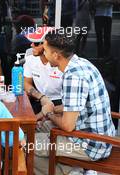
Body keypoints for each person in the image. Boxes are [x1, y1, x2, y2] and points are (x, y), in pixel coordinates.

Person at [33, 29, 116, 175]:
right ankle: (74, 169)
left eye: (45, 50)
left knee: (26, 145)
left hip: (91, 145)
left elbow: (67, 125)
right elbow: (78, 105)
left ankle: (72, 172)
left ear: (55, 55)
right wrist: (53, 110)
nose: (42, 53)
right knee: (42, 126)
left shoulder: (73, 77)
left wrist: (50, 113)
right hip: (100, 137)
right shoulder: (81, 63)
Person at [24, 26, 63, 121]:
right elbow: (26, 83)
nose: (32, 45)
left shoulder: (62, 63)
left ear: (48, 46)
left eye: (36, 43)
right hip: (39, 99)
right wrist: (41, 97)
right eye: (32, 42)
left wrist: (46, 111)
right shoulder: (30, 59)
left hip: (60, 103)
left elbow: (71, 105)